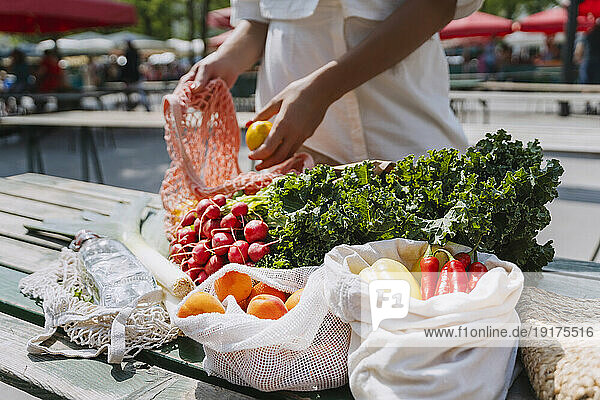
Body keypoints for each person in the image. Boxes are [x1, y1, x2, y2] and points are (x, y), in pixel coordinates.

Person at [182, 0, 483, 169]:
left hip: (399, 136)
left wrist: (322, 91)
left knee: (422, 271)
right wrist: (227, 59)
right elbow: (257, 20)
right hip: (294, 151)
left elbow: (435, 6)